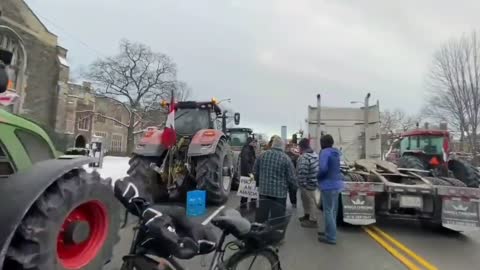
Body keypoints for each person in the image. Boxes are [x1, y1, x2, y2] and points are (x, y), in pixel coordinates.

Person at [254, 135, 297, 238]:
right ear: (282, 146)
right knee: (277, 217)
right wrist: (293, 191)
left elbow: (255, 171)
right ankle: (275, 237)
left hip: (264, 192)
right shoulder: (286, 159)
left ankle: (259, 234)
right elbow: (291, 178)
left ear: (272, 145)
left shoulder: (262, 155)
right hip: (279, 195)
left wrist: (259, 183)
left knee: (262, 215)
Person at [317, 134, 344, 245]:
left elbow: (323, 168)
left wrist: (318, 177)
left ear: (323, 143)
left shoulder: (324, 152)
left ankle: (331, 237)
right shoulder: (336, 152)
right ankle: (329, 232)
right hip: (337, 185)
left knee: (327, 211)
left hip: (328, 185)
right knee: (333, 211)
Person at [296, 138, 319, 228]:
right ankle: (307, 216)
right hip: (315, 182)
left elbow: (302, 172)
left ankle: (312, 220)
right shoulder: (315, 155)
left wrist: (302, 184)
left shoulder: (304, 157)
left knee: (310, 202)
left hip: (307, 184)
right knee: (310, 201)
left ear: (301, 147)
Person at [239, 137, 257, 208]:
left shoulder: (250, 149)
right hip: (247, 174)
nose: (255, 144)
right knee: (246, 191)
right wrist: (250, 173)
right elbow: (246, 162)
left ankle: (250, 204)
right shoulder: (246, 150)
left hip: (249, 173)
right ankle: (244, 206)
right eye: (254, 142)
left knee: (250, 191)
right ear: (250, 142)